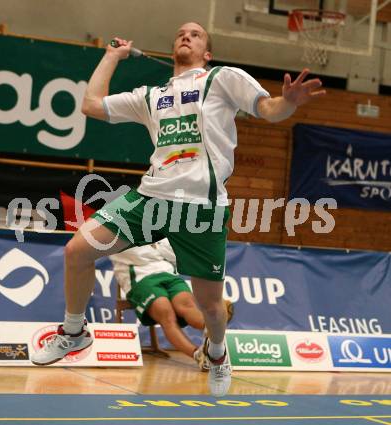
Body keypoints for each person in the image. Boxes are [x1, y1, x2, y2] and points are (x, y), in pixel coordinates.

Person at [31, 22, 325, 397]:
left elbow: (269, 109)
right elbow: (91, 105)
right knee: (77, 250)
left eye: (196, 34)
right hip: (152, 198)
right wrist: (111, 56)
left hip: (201, 207)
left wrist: (289, 102)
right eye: (181, 33)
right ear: (174, 48)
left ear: (207, 53)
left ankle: (217, 351)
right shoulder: (152, 96)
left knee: (211, 306)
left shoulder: (222, 78)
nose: (186, 35)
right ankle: (74, 332)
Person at [109, 238, 233, 371]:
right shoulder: (119, 227)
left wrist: (154, 249)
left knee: (186, 305)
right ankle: (199, 355)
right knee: (166, 314)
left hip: (169, 275)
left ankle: (212, 325)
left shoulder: (160, 225)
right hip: (140, 278)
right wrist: (158, 249)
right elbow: (134, 254)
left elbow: (176, 255)